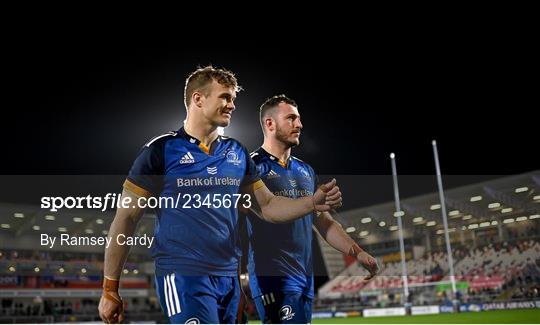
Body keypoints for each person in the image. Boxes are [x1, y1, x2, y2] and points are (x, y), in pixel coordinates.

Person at [98, 67, 343, 324]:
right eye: (225, 97)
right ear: (198, 99)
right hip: (183, 274)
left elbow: (268, 206)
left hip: (228, 280)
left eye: (233, 99)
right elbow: (126, 218)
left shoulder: (237, 152)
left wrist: (311, 202)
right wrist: (109, 287)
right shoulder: (160, 151)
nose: (232, 105)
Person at [245, 95, 378, 323]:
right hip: (273, 277)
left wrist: (357, 252)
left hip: (304, 277)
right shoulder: (251, 166)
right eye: (291, 118)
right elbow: (266, 208)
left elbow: (324, 222)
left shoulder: (305, 170)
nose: (299, 124)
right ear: (270, 124)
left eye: (299, 119)